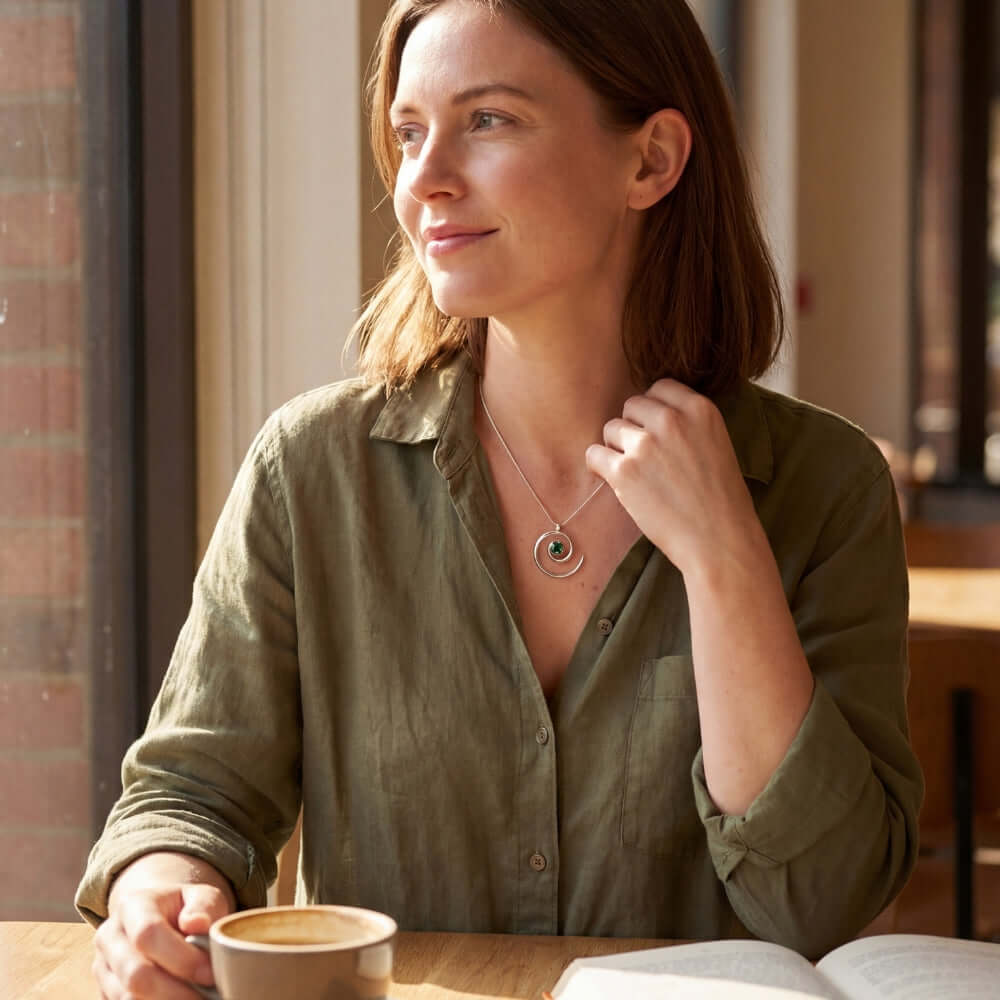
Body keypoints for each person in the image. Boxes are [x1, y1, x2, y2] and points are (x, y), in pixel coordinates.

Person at [78, 0, 923, 996]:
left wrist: (723, 556)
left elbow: (819, 901)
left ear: (649, 160)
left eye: (487, 120)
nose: (422, 177)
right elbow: (191, 794)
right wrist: (157, 892)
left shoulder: (822, 489)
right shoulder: (313, 471)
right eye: (407, 131)